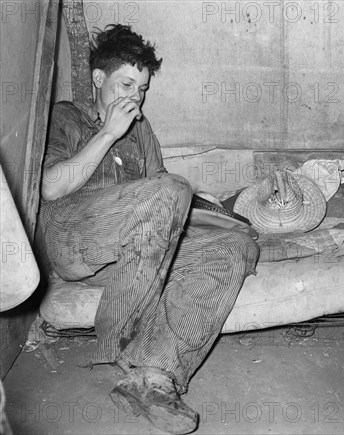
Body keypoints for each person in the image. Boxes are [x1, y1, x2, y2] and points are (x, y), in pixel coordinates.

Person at [37, 24, 259, 434]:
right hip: (73, 234)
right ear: (99, 79)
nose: (134, 98)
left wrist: (210, 213)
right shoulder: (65, 115)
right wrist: (107, 133)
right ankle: (124, 348)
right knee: (172, 188)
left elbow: (164, 202)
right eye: (125, 84)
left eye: (141, 89)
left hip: (132, 256)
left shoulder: (142, 130)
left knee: (234, 247)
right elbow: (50, 187)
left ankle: (154, 376)